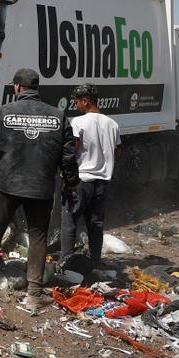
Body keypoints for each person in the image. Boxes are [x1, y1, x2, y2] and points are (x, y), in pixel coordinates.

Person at [0, 68, 76, 310]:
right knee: (38, 237)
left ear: (18, 88)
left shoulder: (2, 114)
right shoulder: (58, 116)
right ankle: (34, 293)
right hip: (40, 188)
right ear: (36, 88)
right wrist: (70, 185)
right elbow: (69, 157)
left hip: (5, 185)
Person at [59, 83, 121, 276]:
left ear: (85, 101)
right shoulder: (112, 124)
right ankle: (95, 261)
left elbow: (74, 148)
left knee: (69, 221)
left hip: (81, 180)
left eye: (77, 101)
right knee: (96, 224)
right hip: (102, 182)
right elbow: (118, 151)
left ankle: (66, 262)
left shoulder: (78, 122)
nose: (76, 105)